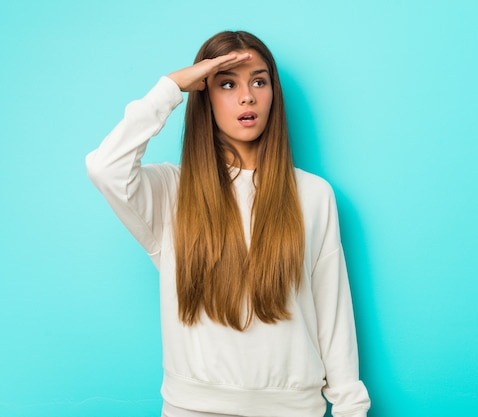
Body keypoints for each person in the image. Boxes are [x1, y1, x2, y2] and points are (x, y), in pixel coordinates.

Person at [86, 30, 370, 417]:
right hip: (193, 408)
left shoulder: (314, 195)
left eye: (259, 81)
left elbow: (333, 315)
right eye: (227, 84)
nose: (247, 96)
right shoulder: (172, 192)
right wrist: (171, 87)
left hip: (292, 409)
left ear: (273, 94)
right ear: (204, 95)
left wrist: (351, 408)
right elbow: (105, 168)